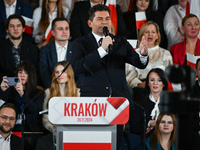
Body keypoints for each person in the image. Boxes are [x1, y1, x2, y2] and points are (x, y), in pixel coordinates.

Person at [71, 4, 148, 148]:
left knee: (115, 143)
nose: (104, 22)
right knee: (94, 144)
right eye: (99, 19)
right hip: (93, 104)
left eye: (107, 18)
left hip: (118, 102)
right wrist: (101, 50)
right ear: (90, 23)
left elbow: (140, 63)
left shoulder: (120, 42)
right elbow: (77, 67)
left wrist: (143, 54)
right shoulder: (80, 43)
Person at [0, 61, 44, 149]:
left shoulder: (38, 92)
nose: (22, 75)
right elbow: (3, 109)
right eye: (20, 72)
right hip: (11, 128)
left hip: (29, 130)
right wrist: (3, 91)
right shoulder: (10, 91)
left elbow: (35, 111)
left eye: (26, 72)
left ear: (31, 75)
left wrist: (22, 94)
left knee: (28, 140)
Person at [126, 21, 172, 88]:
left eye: (153, 32)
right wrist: (140, 84)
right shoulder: (133, 53)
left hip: (160, 88)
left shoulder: (165, 53)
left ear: (157, 36)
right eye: (147, 32)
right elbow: (130, 77)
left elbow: (170, 76)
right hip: (140, 89)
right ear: (142, 35)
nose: (150, 34)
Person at [0, 14, 40, 83]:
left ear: (23, 29)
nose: (15, 29)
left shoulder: (33, 49)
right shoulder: (1, 47)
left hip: (28, 90)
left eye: (18, 26)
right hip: (5, 89)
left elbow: (36, 74)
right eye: (12, 26)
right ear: (7, 30)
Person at [129, 68, 168, 138]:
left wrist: (157, 125)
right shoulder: (139, 100)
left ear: (164, 83)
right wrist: (149, 123)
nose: (155, 83)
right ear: (148, 83)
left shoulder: (171, 101)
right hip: (146, 140)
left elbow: (175, 124)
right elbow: (134, 127)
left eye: (159, 80)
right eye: (152, 80)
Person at [43, 61, 79, 133]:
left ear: (69, 73)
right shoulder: (48, 92)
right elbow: (45, 118)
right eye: (57, 72)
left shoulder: (78, 92)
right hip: (54, 132)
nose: (60, 74)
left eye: (63, 72)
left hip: (73, 132)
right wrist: (55, 131)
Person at [39, 17, 72, 88]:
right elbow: (44, 74)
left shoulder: (77, 49)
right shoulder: (45, 50)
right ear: (53, 33)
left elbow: (80, 73)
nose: (64, 31)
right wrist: (53, 89)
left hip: (73, 91)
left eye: (67, 28)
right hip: (52, 91)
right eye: (60, 29)